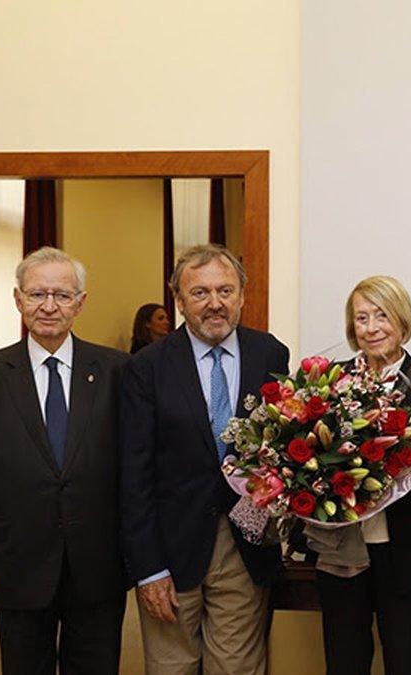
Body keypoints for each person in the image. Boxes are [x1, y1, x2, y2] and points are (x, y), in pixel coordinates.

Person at [0, 246, 128, 673]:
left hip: (98, 565)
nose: (49, 306)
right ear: (18, 299)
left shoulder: (117, 370)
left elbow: (131, 472)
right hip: (16, 565)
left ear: (80, 303)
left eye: (62, 296)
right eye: (37, 294)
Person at [119, 244, 290, 674]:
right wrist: (148, 568)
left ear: (242, 295)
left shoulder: (270, 355)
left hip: (244, 545)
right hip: (169, 552)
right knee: (172, 667)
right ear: (179, 300)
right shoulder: (147, 367)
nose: (215, 303)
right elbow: (133, 473)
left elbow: (281, 448)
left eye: (225, 290)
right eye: (200, 293)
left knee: (237, 668)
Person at [307, 275, 411, 675]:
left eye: (382, 316)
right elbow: (307, 457)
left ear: (401, 321)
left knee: (407, 662)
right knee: (344, 661)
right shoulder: (329, 381)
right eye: (361, 318)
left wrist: (376, 485)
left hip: (408, 552)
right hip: (341, 550)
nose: (372, 328)